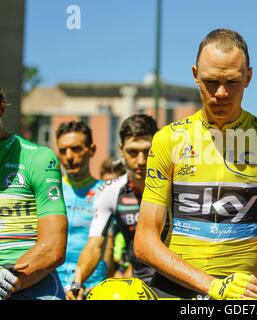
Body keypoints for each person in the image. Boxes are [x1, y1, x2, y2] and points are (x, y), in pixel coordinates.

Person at [134, 28, 257, 300]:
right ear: (195, 75)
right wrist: (213, 286)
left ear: (249, 76)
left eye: (232, 82)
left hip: (244, 296)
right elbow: (144, 242)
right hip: (175, 291)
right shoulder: (169, 139)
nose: (221, 93)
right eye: (211, 82)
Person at [67, 114, 159, 300]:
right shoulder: (110, 191)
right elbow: (94, 245)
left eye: (147, 151)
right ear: (121, 151)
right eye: (133, 152)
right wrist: (77, 282)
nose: (141, 161)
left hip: (181, 286)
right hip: (139, 287)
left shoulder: (177, 186)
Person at [0, 85, 67, 300]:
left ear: (1, 109)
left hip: (32, 287)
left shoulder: (37, 158)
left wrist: (7, 280)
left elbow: (53, 248)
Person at [54, 121, 110, 297]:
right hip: (52, 285)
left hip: (92, 287)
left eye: (76, 149)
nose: (69, 157)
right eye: (63, 151)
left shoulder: (108, 191)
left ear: (91, 150)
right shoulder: (50, 190)